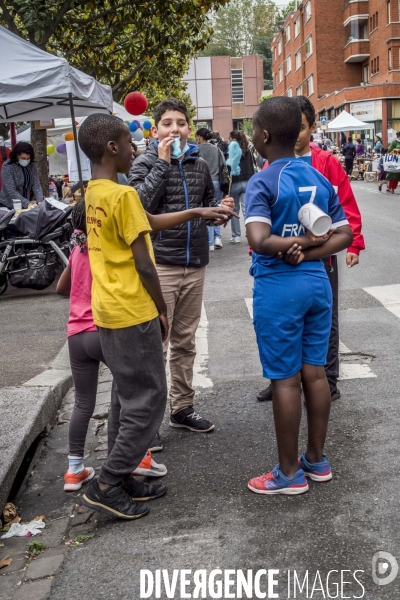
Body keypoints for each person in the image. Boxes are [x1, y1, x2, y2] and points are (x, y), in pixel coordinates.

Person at [57, 194, 234, 493]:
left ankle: (74, 470)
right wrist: (159, 308)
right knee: (137, 393)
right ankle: (134, 461)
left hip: (75, 334)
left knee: (85, 403)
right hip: (104, 328)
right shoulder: (106, 250)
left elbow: (63, 288)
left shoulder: (78, 253)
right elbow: (143, 264)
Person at [245, 96, 353, 495]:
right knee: (316, 371)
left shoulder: (263, 180)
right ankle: (316, 460)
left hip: (279, 288)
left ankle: (289, 475)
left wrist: (293, 245)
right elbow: (344, 234)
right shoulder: (317, 178)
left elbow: (258, 239)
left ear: (265, 135)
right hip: (316, 285)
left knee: (285, 380)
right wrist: (309, 248)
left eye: (254, 129)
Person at [128, 98, 234, 434]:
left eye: (181, 123)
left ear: (189, 128)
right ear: (156, 128)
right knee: (154, 343)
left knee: (185, 341)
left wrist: (221, 207)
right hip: (160, 265)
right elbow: (139, 208)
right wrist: (161, 165)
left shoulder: (199, 164)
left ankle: (182, 408)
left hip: (195, 262)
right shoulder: (143, 163)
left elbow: (205, 207)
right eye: (168, 123)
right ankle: (148, 423)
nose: (175, 129)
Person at [257, 96, 365, 404]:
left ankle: (327, 378)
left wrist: (354, 242)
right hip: (278, 259)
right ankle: (280, 378)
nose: (297, 134)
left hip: (320, 258)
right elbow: (263, 217)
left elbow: (345, 205)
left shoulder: (326, 163)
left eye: (302, 128)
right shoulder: (269, 165)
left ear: (311, 127)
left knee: (324, 321)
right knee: (280, 321)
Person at [195, 127, 227, 251]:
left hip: (202, 181)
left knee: (206, 210)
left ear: (199, 137)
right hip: (217, 181)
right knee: (217, 208)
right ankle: (218, 238)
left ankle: (210, 242)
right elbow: (223, 165)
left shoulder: (196, 150)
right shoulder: (217, 149)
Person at [226, 130, 255, 243]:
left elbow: (229, 165)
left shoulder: (232, 149)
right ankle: (250, 233)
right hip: (247, 181)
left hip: (235, 181)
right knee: (246, 209)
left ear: (232, 138)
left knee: (234, 209)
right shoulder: (247, 150)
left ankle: (236, 236)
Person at [0, 141, 43, 209]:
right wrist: (27, 203)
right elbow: (11, 190)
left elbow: (36, 184)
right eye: (23, 158)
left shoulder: (32, 165)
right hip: (8, 205)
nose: (26, 160)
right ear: (16, 155)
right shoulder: (8, 166)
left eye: (28, 158)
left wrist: (39, 201)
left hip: (26, 204)